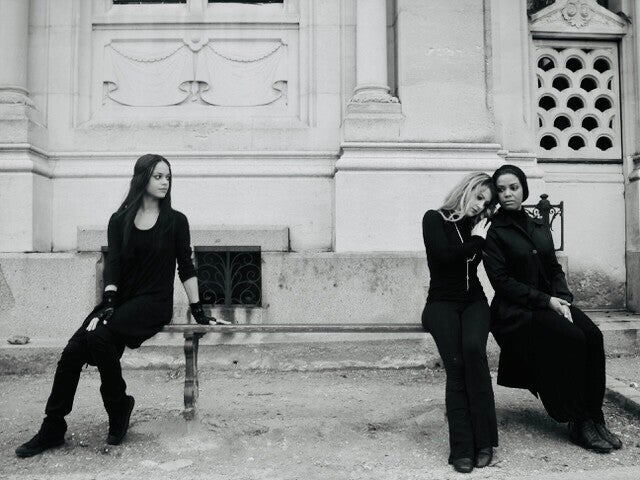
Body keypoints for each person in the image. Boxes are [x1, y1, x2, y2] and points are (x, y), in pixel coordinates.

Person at [15, 154, 228, 458]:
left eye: (168, 177)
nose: (165, 182)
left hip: (154, 302)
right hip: (120, 300)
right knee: (73, 351)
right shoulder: (119, 220)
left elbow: (186, 266)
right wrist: (109, 303)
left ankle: (117, 407)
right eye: (158, 176)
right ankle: (53, 426)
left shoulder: (176, 221)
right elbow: (113, 264)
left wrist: (198, 311)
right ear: (142, 178)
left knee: (99, 336)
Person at [483, 164, 622, 454]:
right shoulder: (495, 233)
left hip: (552, 301)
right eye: (501, 189)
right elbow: (502, 282)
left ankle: (595, 416)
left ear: (523, 190)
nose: (508, 194)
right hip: (517, 310)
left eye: (513, 187)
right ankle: (578, 421)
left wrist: (563, 299)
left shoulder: (538, 225)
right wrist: (547, 301)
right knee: (573, 339)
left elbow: (554, 268)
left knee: (593, 336)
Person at [421, 172, 499, 474]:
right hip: (441, 303)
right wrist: (477, 240)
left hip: (474, 301)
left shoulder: (478, 226)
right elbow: (444, 257)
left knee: (474, 354)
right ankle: (462, 448)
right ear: (466, 190)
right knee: (456, 366)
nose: (480, 205)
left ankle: (485, 443)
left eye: (486, 203)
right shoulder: (434, 219)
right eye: (478, 197)